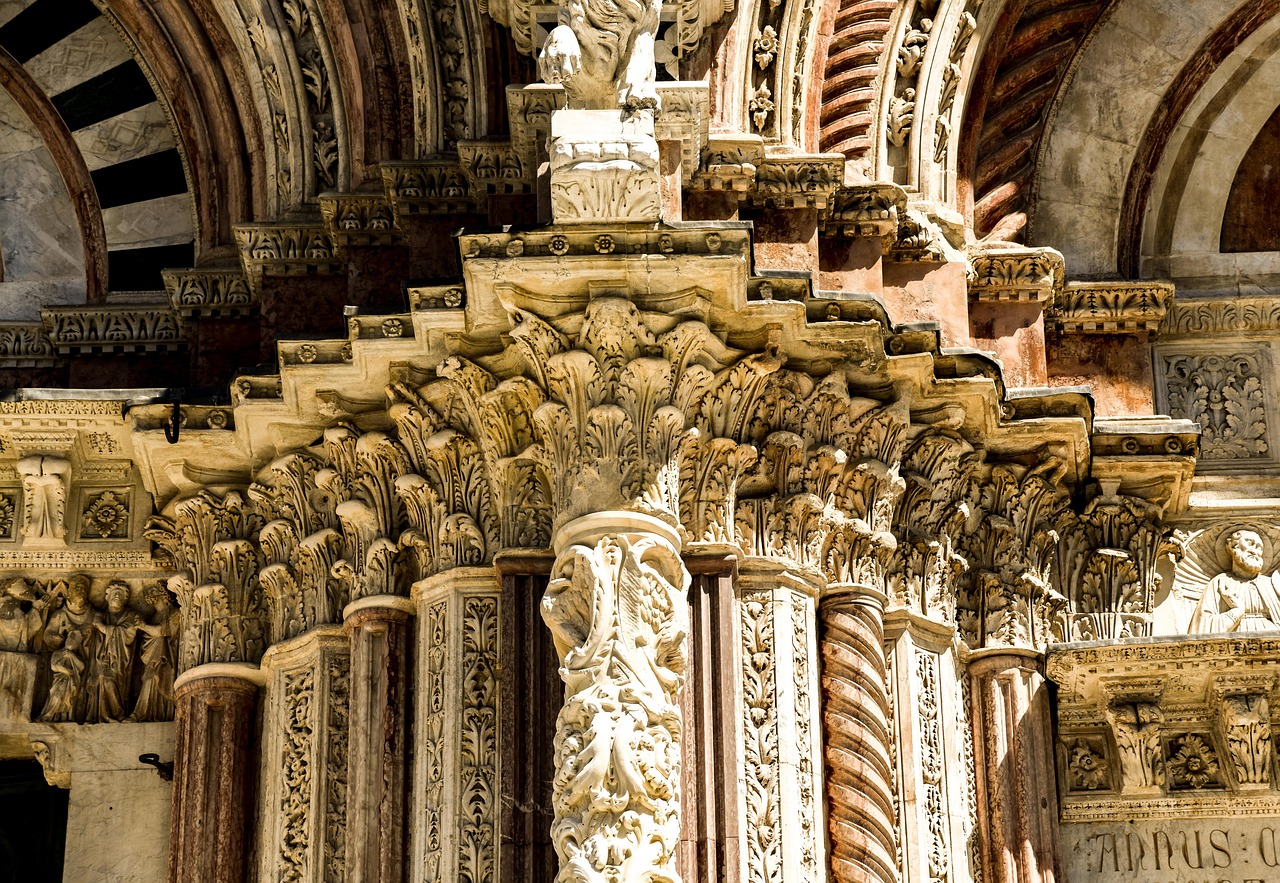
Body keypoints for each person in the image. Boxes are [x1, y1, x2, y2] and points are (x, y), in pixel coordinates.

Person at [1189, 529, 1280, 632]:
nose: (1254, 550)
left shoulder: (1271, 584)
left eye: (1259, 548)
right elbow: (1202, 627)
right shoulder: (1220, 582)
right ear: (1233, 547)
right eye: (1250, 543)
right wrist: (1236, 612)